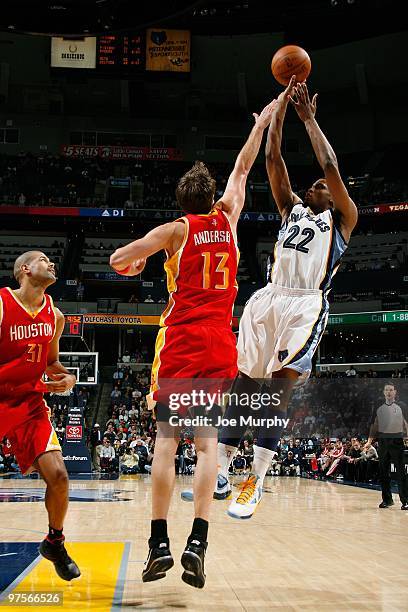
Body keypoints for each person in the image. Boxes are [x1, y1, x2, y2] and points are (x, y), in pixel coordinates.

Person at [110, 98, 277, 588]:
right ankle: (198, 542)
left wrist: (138, 262)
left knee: (167, 440)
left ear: (182, 202)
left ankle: (158, 541)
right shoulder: (227, 219)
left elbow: (120, 258)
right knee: (207, 448)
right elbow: (244, 167)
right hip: (221, 341)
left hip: (182, 339)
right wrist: (262, 123)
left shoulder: (174, 231)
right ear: (211, 198)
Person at [184, 77, 358, 519]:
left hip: (305, 304)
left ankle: (256, 480)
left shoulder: (342, 221)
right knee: (243, 386)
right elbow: (272, 157)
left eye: (323, 185)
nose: (318, 183)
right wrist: (279, 108)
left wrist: (309, 119)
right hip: (269, 299)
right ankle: (220, 472)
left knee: (279, 388)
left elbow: (333, 166)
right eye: (314, 183)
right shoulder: (291, 208)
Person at [0, 251, 80, 580]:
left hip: (30, 404)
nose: (52, 264)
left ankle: (55, 542)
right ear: (24, 269)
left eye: (52, 260)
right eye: (44, 259)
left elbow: (50, 363)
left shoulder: (55, 316)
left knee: (60, 477)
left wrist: (69, 377)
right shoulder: (3, 304)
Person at [365, 383, 408, 510]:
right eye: (386, 390)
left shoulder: (402, 406)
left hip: (397, 440)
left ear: (395, 392)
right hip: (383, 442)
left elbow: (406, 422)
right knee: (383, 472)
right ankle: (387, 500)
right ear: (384, 392)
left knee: (401, 472)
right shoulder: (378, 407)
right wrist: (369, 441)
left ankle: (405, 501)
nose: (389, 392)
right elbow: (374, 425)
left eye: (391, 390)